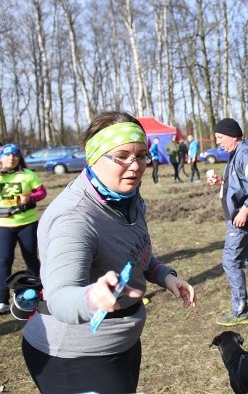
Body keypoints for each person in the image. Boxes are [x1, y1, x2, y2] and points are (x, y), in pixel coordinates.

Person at [21, 111, 196, 394]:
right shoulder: (74, 218)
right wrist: (92, 297)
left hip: (121, 343)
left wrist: (164, 276)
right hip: (74, 356)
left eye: (141, 155)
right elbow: (60, 297)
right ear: (93, 157)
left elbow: (135, 254)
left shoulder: (127, 197)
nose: (135, 166)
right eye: (122, 156)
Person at [206, 118, 248, 326]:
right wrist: (221, 181)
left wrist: (245, 209)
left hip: (240, 219)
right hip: (237, 217)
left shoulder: (244, 154)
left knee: (230, 262)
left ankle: (240, 311)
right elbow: (242, 182)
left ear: (233, 136)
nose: (218, 142)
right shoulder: (235, 153)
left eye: (220, 137)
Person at [0, 144, 47, 314]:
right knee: (4, 261)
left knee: (31, 258)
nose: (12, 158)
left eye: (15, 155)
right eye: (7, 155)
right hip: (3, 225)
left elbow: (42, 192)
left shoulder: (28, 175)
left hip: (27, 223)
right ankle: (2, 300)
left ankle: (36, 293)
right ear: (1, 157)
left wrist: (30, 197)